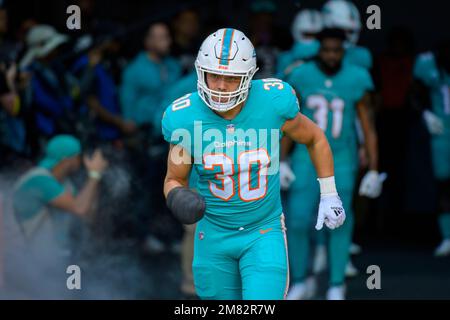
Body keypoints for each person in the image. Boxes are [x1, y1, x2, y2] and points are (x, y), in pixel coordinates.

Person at [161, 28, 346, 300]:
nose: (221, 86)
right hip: (213, 234)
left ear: (248, 78)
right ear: (201, 72)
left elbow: (315, 138)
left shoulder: (272, 102)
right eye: (214, 75)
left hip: (263, 231)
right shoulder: (185, 118)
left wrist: (329, 193)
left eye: (231, 78)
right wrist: (176, 197)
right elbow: (173, 178)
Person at [284, 28, 383, 300]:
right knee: (298, 219)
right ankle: (300, 280)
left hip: (341, 157)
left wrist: (374, 168)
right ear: (318, 50)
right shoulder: (302, 75)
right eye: (325, 49)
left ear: (344, 51)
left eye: (336, 50)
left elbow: (368, 125)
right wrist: (281, 160)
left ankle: (336, 283)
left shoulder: (357, 77)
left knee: (339, 221)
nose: (330, 55)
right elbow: (289, 121)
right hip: (305, 157)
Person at [10, 134, 108, 298]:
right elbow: (79, 208)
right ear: (68, 159)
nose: (80, 163)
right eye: (78, 158)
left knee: (73, 293)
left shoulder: (64, 186)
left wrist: (95, 180)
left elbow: (87, 214)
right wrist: (94, 175)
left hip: (63, 260)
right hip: (35, 262)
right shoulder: (38, 179)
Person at [412, 40, 450, 256]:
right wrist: (425, 114)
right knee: (444, 183)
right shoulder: (429, 65)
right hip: (442, 132)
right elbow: (414, 92)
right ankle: (447, 235)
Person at [276, 9, 323, 79]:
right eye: (306, 34)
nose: (311, 40)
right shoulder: (285, 58)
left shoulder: (327, 57)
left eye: (315, 35)